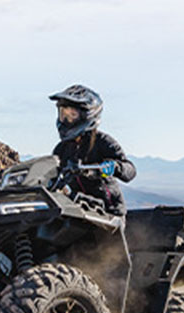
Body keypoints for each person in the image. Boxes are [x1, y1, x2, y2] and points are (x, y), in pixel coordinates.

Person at [50, 84, 136, 215]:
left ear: (87, 115)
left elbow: (130, 170)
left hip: (108, 213)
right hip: (76, 209)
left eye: (72, 115)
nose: (66, 120)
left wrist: (115, 167)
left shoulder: (103, 142)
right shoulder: (61, 149)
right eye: (63, 114)